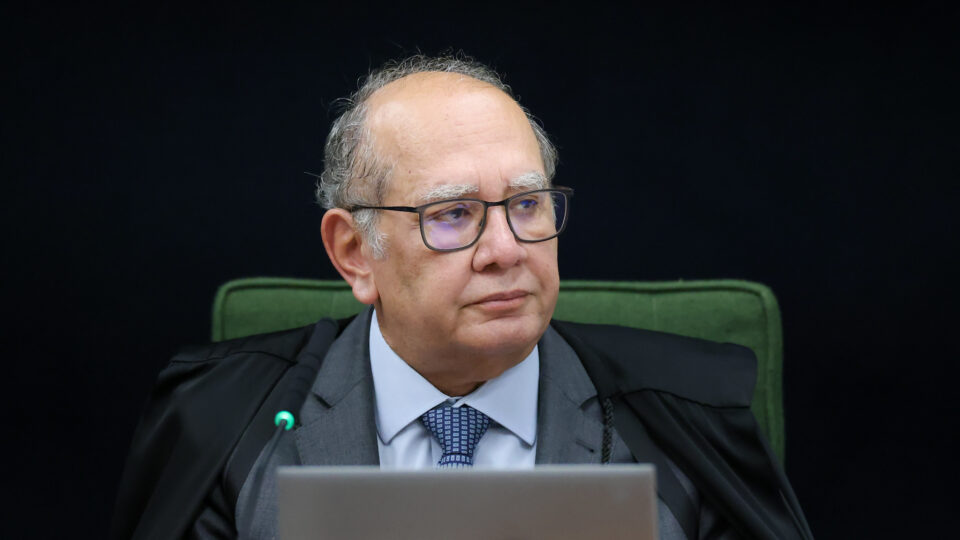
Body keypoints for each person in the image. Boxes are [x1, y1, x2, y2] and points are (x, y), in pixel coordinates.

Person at [111, 55, 813, 540]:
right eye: (453, 214)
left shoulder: (688, 422)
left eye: (527, 204)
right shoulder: (220, 424)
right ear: (354, 253)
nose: (505, 249)